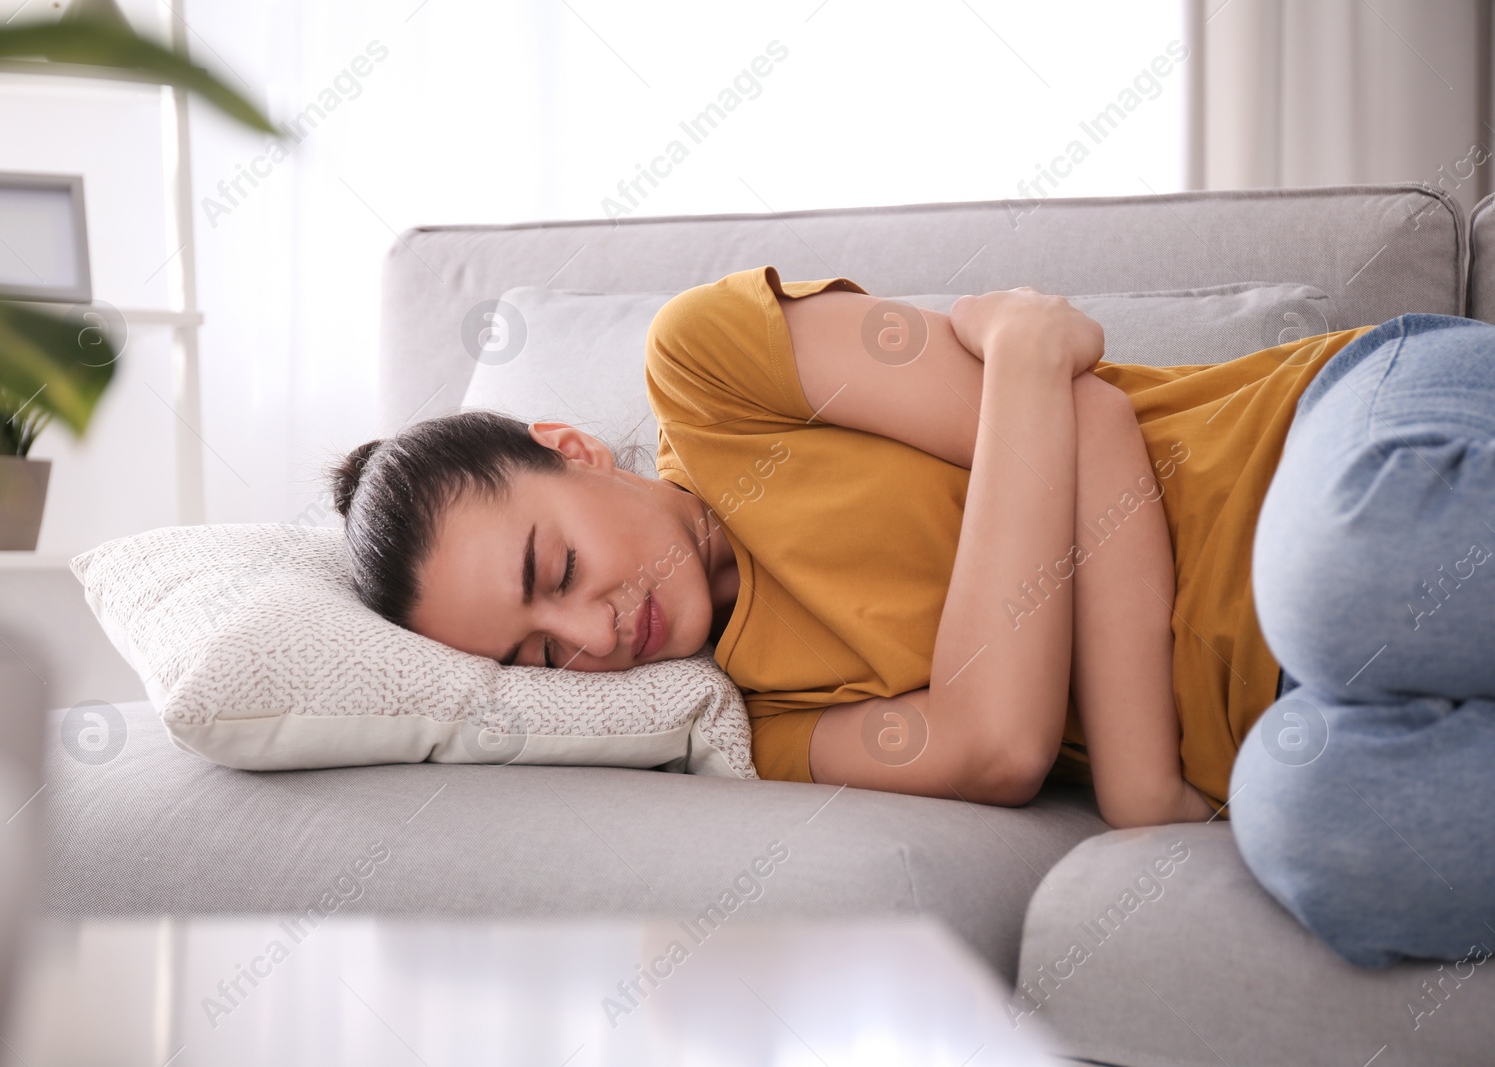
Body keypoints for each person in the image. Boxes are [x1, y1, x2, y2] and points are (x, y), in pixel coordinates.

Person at [330, 267, 1494, 968]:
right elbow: (995, 747)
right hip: (1289, 716)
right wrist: (1027, 366)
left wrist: (1139, 784)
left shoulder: (711, 366)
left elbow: (1089, 419)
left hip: (1335, 448)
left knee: (1333, 580)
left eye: (556, 565)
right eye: (537, 653)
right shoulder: (755, 729)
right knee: (1324, 839)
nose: (588, 636)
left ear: (570, 448)